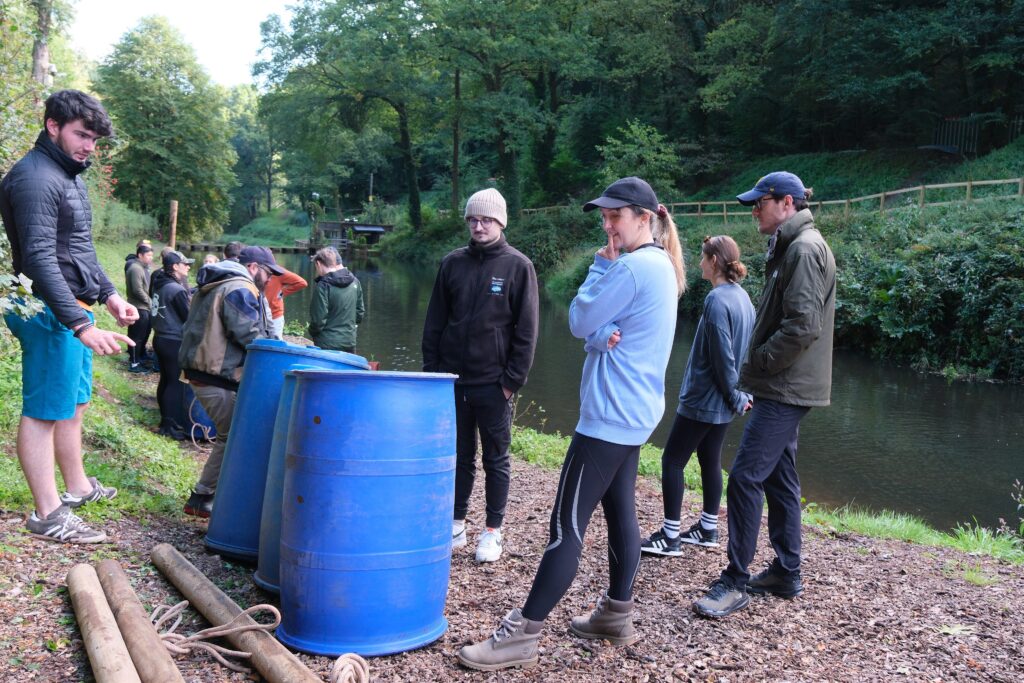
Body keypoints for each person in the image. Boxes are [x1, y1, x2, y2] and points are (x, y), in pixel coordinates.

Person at [457, 176, 685, 671]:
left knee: (565, 525)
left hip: (606, 419)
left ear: (644, 218)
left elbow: (580, 319)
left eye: (615, 216)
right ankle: (616, 615)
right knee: (622, 512)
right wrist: (601, 332)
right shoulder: (663, 266)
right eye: (604, 216)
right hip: (637, 413)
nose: (607, 225)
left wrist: (597, 269)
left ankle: (522, 632)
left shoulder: (628, 269)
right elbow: (600, 330)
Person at [693, 171, 836, 619]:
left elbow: (803, 326)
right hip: (786, 383)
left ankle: (735, 580)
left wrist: (758, 366)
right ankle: (786, 571)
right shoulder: (792, 245)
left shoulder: (805, 249)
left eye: (761, 202)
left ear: (788, 203)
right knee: (779, 477)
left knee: (745, 477)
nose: (754, 209)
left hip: (785, 386)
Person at [0, 89, 138, 544]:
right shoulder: (36, 178)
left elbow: (79, 247)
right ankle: (47, 513)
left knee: (73, 403)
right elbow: (39, 259)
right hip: (44, 310)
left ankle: (76, 487)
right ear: (52, 125)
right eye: (82, 135)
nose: (89, 148)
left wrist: (110, 295)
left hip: (72, 307)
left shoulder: (68, 173)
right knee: (43, 411)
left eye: (95, 140)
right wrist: (79, 324)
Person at [422, 188, 539, 564]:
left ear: (501, 222)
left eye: (486, 219)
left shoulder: (518, 267)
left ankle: (493, 530)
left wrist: (510, 382)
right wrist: (433, 375)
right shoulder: (451, 263)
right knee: (458, 455)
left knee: (496, 458)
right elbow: (435, 322)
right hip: (451, 381)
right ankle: (456, 523)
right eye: (473, 219)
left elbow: (527, 331)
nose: (478, 226)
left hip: (493, 383)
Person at [641, 235, 755, 556]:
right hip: (724, 402)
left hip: (704, 400)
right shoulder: (743, 298)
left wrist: (734, 395)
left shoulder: (716, 300)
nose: (700, 262)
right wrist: (740, 395)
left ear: (715, 261)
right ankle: (708, 528)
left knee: (672, 461)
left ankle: (671, 536)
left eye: (703, 257)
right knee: (710, 461)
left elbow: (722, 357)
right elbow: (745, 353)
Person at [177, 245, 276, 517]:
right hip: (215, 376)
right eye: (268, 273)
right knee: (231, 436)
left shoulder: (220, 281)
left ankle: (210, 494)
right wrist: (278, 352)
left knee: (229, 434)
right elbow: (250, 336)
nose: (269, 280)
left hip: (204, 372)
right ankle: (202, 497)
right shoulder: (240, 288)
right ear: (254, 267)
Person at [150, 249, 195, 440]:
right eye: (185, 264)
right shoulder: (176, 289)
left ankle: (165, 421)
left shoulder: (160, 283)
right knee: (175, 383)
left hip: (160, 337)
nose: (188, 267)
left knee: (165, 380)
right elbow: (188, 318)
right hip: (172, 340)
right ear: (175, 266)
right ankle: (171, 425)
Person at [308, 247, 363, 352]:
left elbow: (318, 321)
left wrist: (311, 331)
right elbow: (359, 314)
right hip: (349, 342)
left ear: (318, 264)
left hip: (326, 343)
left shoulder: (323, 286)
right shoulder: (355, 282)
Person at [124, 239, 154, 371]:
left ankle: (138, 357)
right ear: (140, 255)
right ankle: (134, 363)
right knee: (137, 336)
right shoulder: (135, 268)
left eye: (151, 255)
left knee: (143, 335)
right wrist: (150, 302)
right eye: (148, 255)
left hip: (143, 308)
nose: (150, 258)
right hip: (139, 308)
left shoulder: (141, 267)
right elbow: (137, 290)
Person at [265, 266, 307, 339]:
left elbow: (302, 283)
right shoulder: (252, 269)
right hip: (258, 316)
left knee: (276, 344)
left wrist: (282, 292)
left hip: (275, 315)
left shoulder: (277, 271)